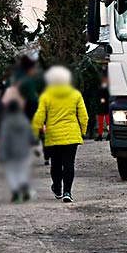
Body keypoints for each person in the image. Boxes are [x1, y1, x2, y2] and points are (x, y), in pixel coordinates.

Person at [32, 66, 89, 203]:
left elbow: (39, 117)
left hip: (53, 135)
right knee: (69, 163)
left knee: (56, 164)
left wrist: (34, 133)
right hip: (72, 135)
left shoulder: (46, 96)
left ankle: (57, 188)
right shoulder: (75, 95)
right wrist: (82, 131)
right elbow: (84, 117)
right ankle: (67, 192)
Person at [0, 100, 37, 203]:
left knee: (11, 172)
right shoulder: (24, 120)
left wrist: (2, 153)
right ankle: (24, 186)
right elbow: (31, 135)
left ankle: (16, 193)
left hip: (10, 152)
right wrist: (34, 142)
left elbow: (4, 138)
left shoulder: (7, 122)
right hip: (24, 151)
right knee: (22, 171)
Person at [94, 73, 110, 141]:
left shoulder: (108, 87)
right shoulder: (99, 86)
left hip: (106, 106)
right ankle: (100, 135)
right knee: (101, 122)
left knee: (108, 122)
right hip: (101, 106)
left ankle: (109, 134)